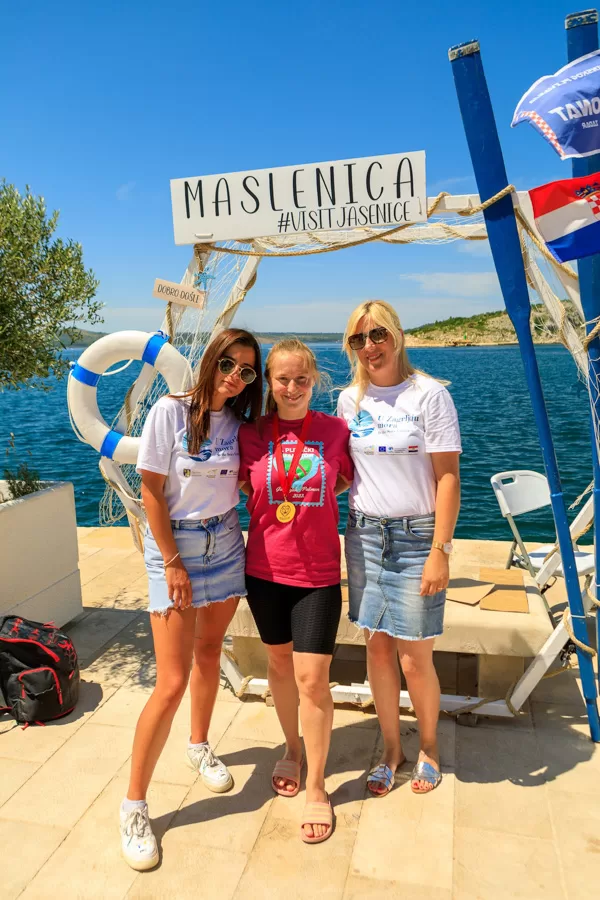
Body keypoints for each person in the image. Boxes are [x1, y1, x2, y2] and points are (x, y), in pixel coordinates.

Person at [119, 328, 263, 871]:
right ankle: (134, 805)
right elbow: (151, 492)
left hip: (225, 541)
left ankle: (199, 745)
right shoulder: (169, 413)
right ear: (211, 360)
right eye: (228, 364)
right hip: (175, 547)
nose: (234, 376)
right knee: (171, 681)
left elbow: (245, 484)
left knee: (209, 654)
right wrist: (173, 562)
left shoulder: (240, 425)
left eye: (246, 371)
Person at [337, 300, 461, 797]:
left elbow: (448, 478)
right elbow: (345, 472)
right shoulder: (350, 400)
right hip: (365, 535)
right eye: (359, 339)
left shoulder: (430, 395)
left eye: (378, 335)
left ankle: (428, 746)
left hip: (416, 538)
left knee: (414, 659)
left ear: (398, 335)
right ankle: (392, 750)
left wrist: (440, 550)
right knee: (377, 650)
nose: (370, 347)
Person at [238, 339, 353, 844]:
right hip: (264, 569)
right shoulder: (250, 433)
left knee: (313, 679)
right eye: (282, 379)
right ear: (269, 381)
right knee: (279, 666)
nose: (291, 388)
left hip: (318, 573)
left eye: (301, 379)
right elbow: (245, 487)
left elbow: (343, 481)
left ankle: (317, 785)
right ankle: (292, 747)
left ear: (314, 380)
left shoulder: (335, 430)